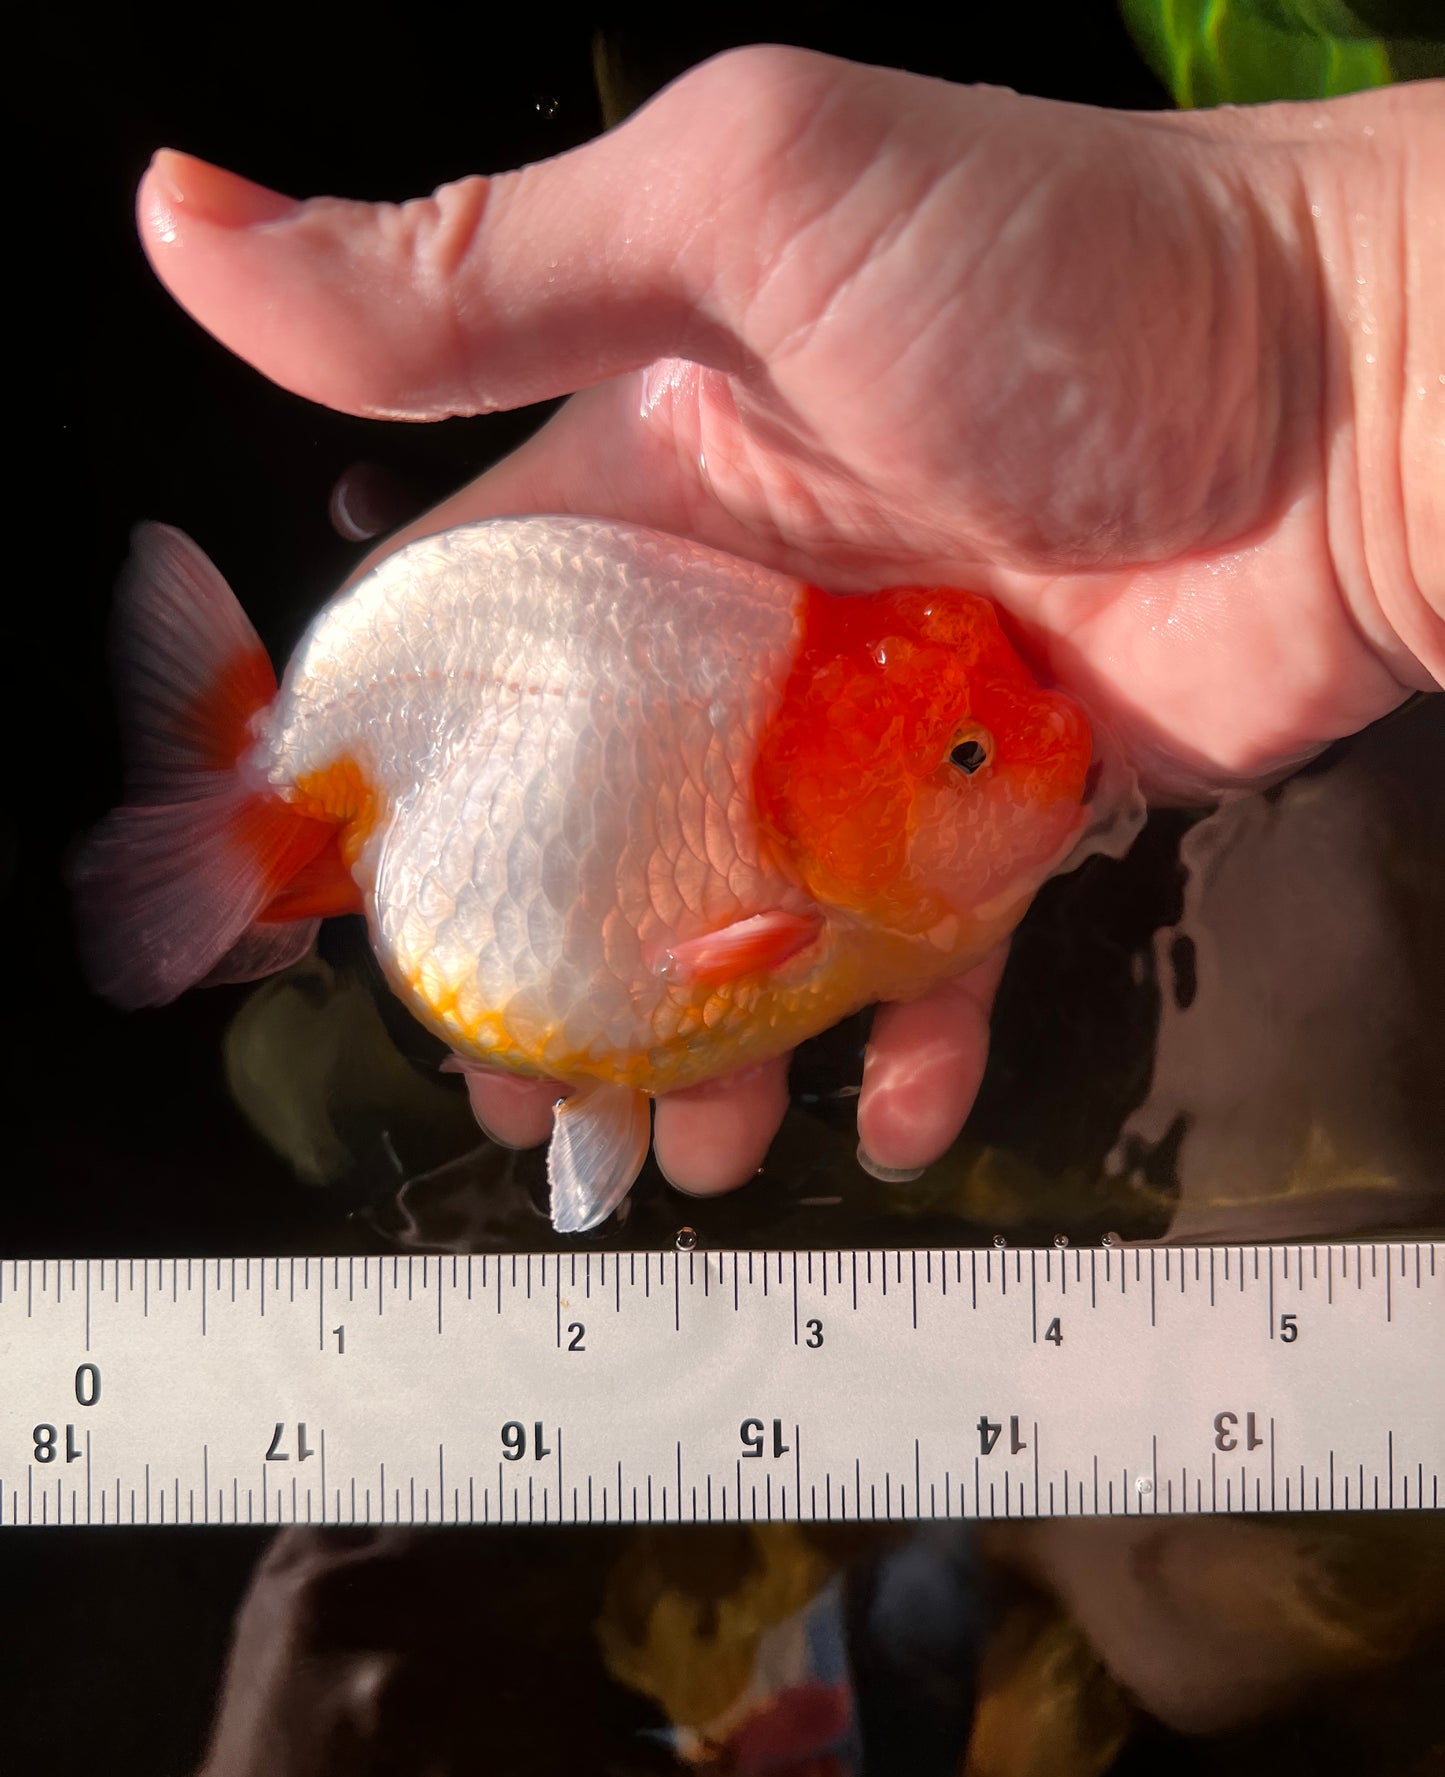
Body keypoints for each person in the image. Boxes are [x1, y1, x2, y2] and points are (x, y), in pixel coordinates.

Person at [135, 46, 1443, 1197]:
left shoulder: (801, 803)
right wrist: (1338, 369)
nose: (1052, 738)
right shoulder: (774, 833)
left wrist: (1323, 351)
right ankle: (253, 805)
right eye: (965, 760)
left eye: (972, 750)